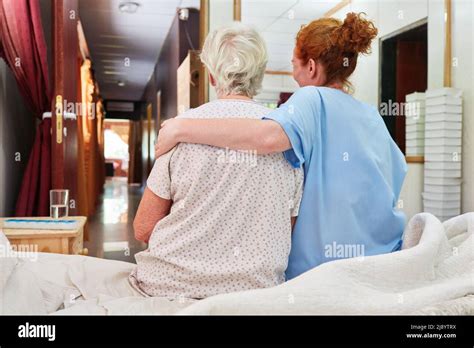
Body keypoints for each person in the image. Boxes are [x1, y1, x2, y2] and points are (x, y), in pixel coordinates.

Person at [154, 13, 407, 280]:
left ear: (311, 67)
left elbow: (265, 138)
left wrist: (181, 128)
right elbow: (394, 172)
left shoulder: (312, 97)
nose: (292, 72)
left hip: (324, 270)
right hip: (382, 256)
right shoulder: (371, 115)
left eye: (293, 64)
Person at [129, 23, 304, 299]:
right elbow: (287, 229)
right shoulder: (287, 141)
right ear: (260, 74)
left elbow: (143, 228)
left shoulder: (179, 132)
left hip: (170, 289)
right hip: (254, 295)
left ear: (211, 76)